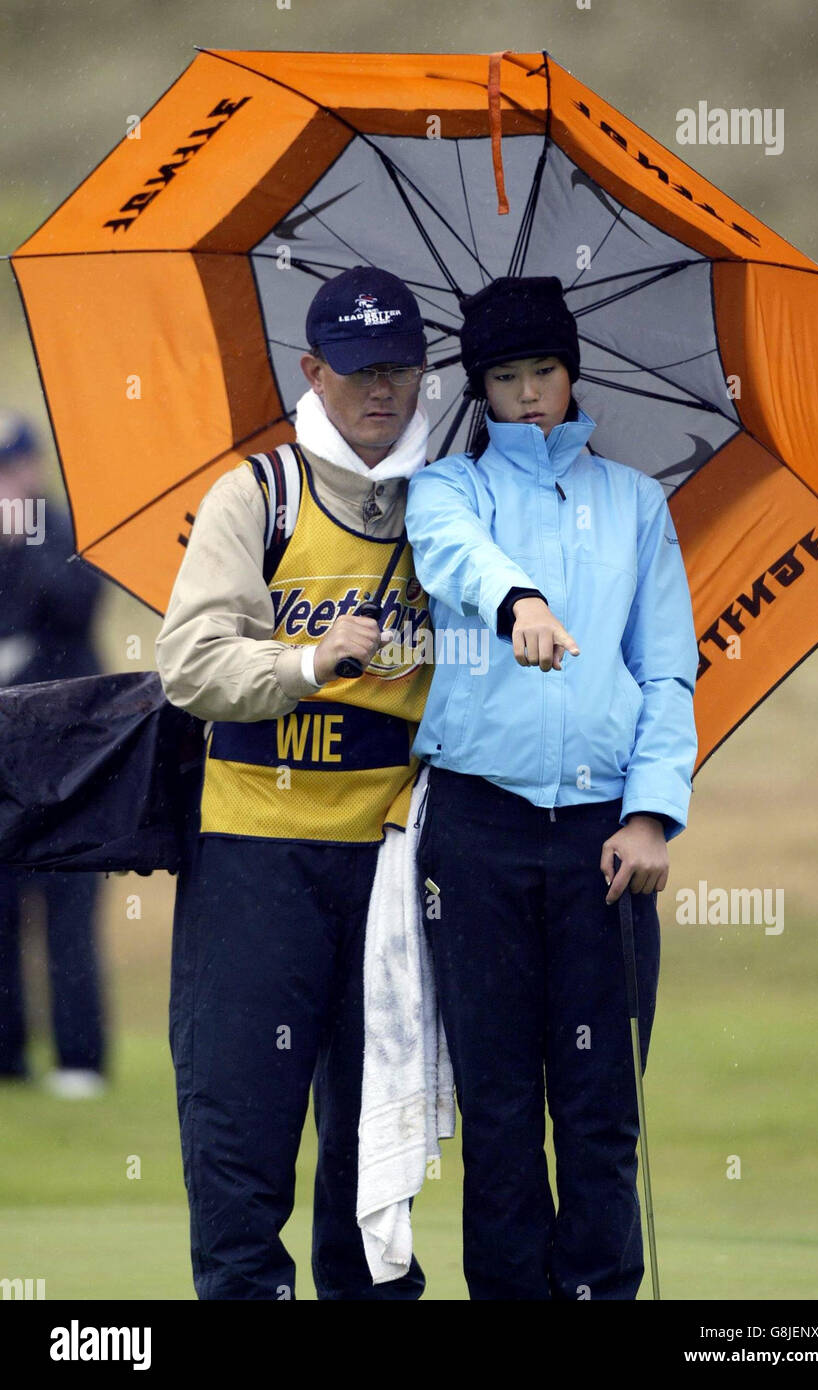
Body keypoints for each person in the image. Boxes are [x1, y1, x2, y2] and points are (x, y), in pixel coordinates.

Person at [405, 276, 698, 1300]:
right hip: (477, 832)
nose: (528, 394)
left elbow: (665, 669)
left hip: (602, 842)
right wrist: (516, 595)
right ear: (478, 389)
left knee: (598, 1101)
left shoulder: (634, 502)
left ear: (571, 372)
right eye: (503, 376)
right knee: (495, 1107)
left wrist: (651, 814)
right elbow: (453, 556)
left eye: (542, 371)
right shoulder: (447, 490)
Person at [155, 266, 433, 1300]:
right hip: (252, 855)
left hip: (390, 865)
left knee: (378, 1135)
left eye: (400, 371)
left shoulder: (448, 503)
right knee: (241, 1127)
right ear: (312, 371)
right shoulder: (256, 492)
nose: (380, 393)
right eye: (359, 371)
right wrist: (309, 664)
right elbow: (188, 666)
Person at [0, 411, 107, 1098]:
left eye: (15, 468)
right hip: (5, 755)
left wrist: (22, 548)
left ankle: (80, 1060)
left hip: (70, 749)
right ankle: (8, 1055)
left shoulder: (61, 532)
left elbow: (76, 604)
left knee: (69, 904)